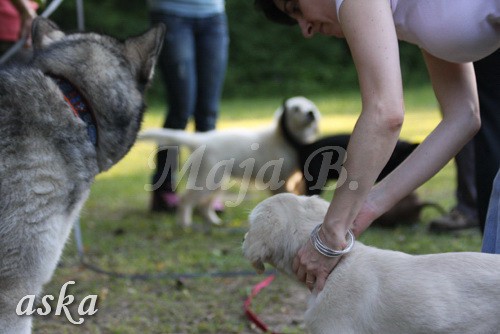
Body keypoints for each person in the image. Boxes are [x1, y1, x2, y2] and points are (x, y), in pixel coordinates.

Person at [254, 0, 500, 291]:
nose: (305, 28)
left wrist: (330, 233)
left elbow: (385, 113)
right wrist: (365, 208)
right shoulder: (409, 19)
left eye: (295, 6)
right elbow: (462, 117)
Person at [148, 0, 229, 212]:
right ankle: (163, 188)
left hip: (213, 15)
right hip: (171, 13)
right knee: (181, 109)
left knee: (208, 113)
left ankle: (205, 192)